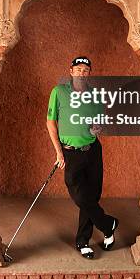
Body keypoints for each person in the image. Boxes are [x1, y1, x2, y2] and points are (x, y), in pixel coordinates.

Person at [46, 56, 119, 259]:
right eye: (78, 69)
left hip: (93, 151)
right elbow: (51, 123)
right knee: (80, 195)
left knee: (91, 197)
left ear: (89, 74)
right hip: (70, 152)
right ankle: (108, 225)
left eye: (86, 70)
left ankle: (83, 241)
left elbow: (100, 120)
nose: (81, 73)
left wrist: (98, 127)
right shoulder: (59, 92)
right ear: (71, 71)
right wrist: (59, 151)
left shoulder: (95, 94)